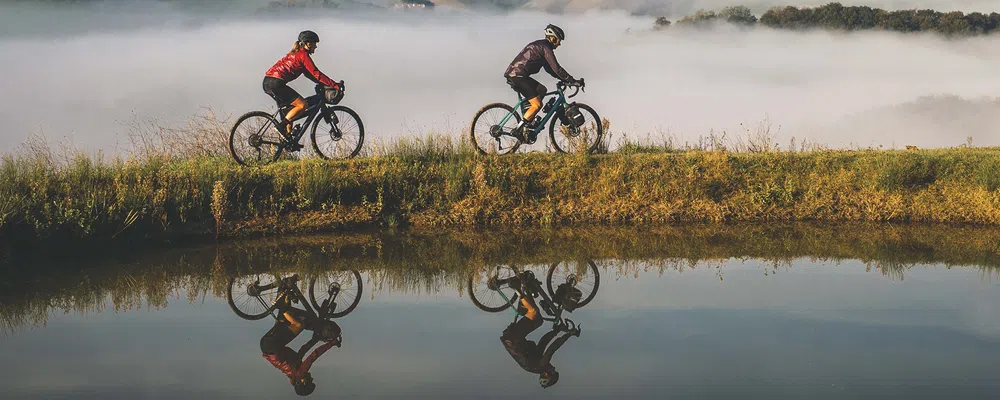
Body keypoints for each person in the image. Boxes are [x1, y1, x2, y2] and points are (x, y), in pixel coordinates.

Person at [499, 272, 580, 389]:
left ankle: (517, 289)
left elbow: (553, 348)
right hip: (512, 338)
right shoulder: (537, 364)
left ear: (547, 374)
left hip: (513, 338)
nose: (554, 368)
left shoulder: (541, 365)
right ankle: (526, 286)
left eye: (553, 371)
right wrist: (556, 331)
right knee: (538, 320)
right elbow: (544, 341)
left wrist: (568, 334)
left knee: (534, 314)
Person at [503, 24, 582, 143]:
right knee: (537, 105)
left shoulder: (542, 46)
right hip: (518, 76)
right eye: (559, 41)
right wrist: (571, 80)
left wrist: (565, 80)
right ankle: (518, 129)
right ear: (553, 38)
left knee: (542, 90)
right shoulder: (546, 48)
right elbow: (557, 68)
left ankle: (529, 120)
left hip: (517, 75)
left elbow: (550, 69)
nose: (559, 44)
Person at [263, 30, 343, 138]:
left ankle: (287, 139)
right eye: (315, 43)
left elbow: (310, 75)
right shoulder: (303, 55)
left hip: (268, 82)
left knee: (290, 110)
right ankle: (280, 126)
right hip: (276, 83)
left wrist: (322, 83)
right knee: (302, 105)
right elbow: (316, 73)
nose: (316, 47)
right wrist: (335, 85)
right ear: (308, 43)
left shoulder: (296, 53)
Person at [259, 293, 342, 396]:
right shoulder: (294, 371)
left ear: (303, 382)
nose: (312, 378)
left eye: (310, 381)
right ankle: (285, 292)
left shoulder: (299, 373)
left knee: (298, 325)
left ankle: (280, 306)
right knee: (284, 321)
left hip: (272, 346)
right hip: (266, 346)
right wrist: (315, 339)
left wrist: (331, 344)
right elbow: (303, 349)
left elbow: (314, 355)